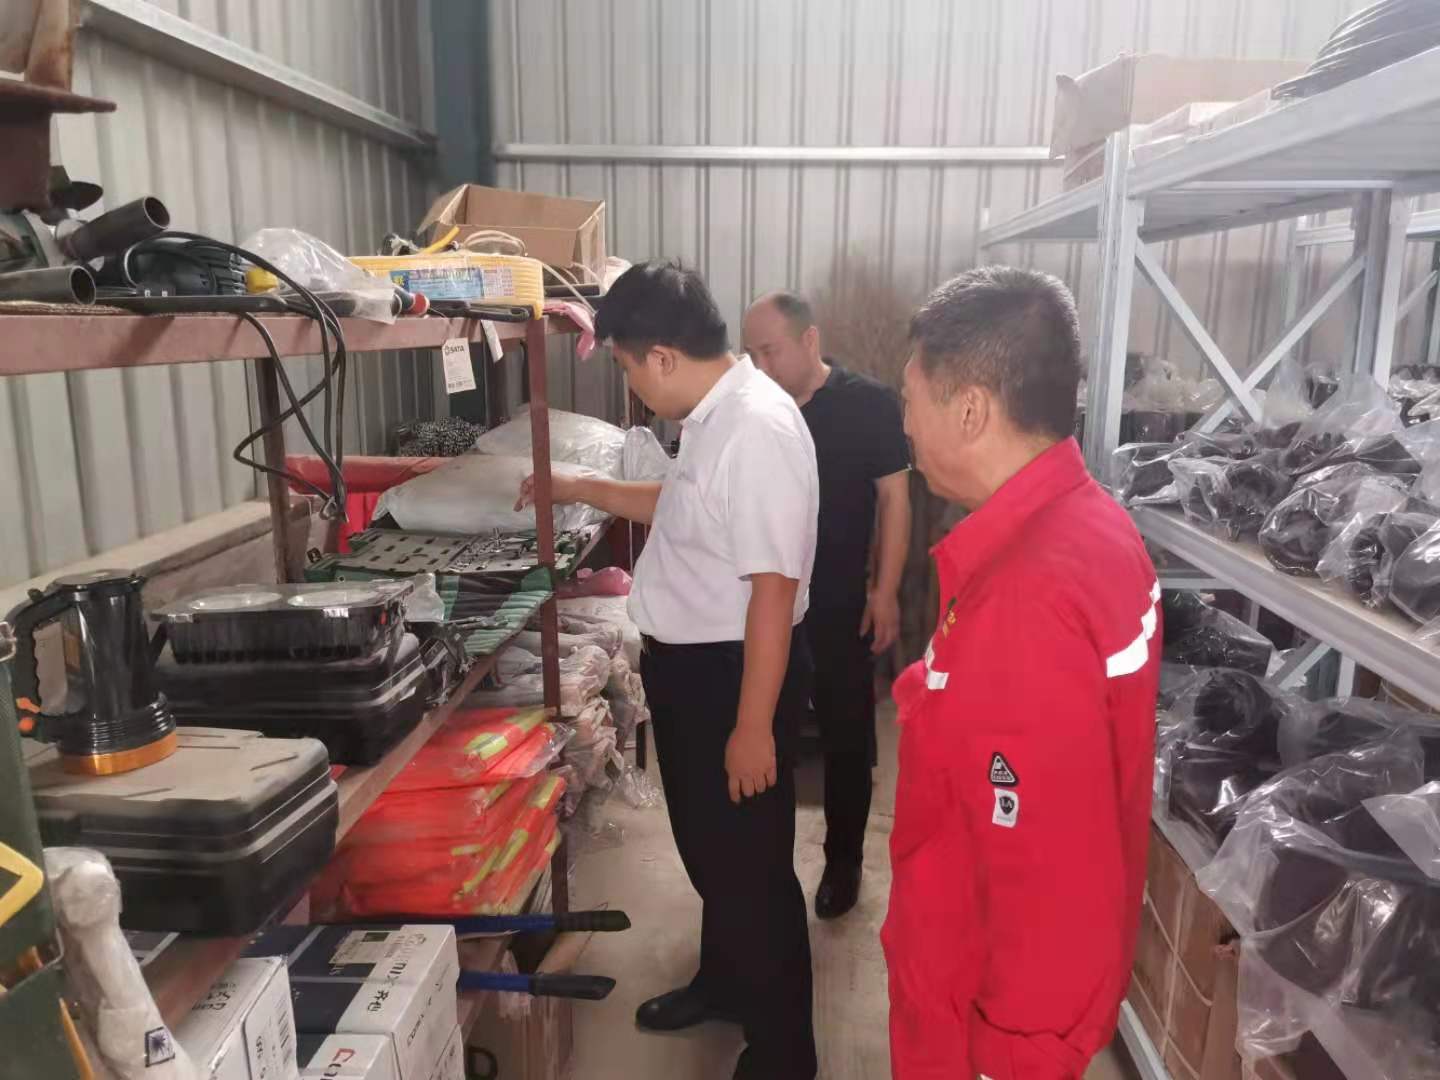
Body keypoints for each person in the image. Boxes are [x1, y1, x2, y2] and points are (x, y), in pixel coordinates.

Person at [517, 261, 820, 1080]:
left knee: (753, 873)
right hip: (698, 674)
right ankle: (726, 981)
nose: (631, 385)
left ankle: (786, 1055)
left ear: (661, 356)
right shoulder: (712, 415)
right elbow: (682, 508)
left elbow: (773, 590)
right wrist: (578, 484)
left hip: (736, 677)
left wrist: (753, 726)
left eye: (625, 367)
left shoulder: (756, 430)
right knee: (715, 856)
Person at [883, 266, 1160, 1080]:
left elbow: (1039, 871)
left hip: (989, 1021)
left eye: (910, 399)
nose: (905, 424)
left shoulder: (1027, 595)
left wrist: (1009, 1053)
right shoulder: (1088, 527)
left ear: (970, 410)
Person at [742, 291, 911, 918]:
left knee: (846, 734)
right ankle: (768, 867)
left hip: (841, 600)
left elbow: (894, 500)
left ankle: (844, 861)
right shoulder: (753, 409)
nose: (760, 367)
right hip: (767, 602)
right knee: (771, 731)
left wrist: (885, 591)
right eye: (752, 354)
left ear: (809, 340)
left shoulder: (869, 405)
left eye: (771, 351)